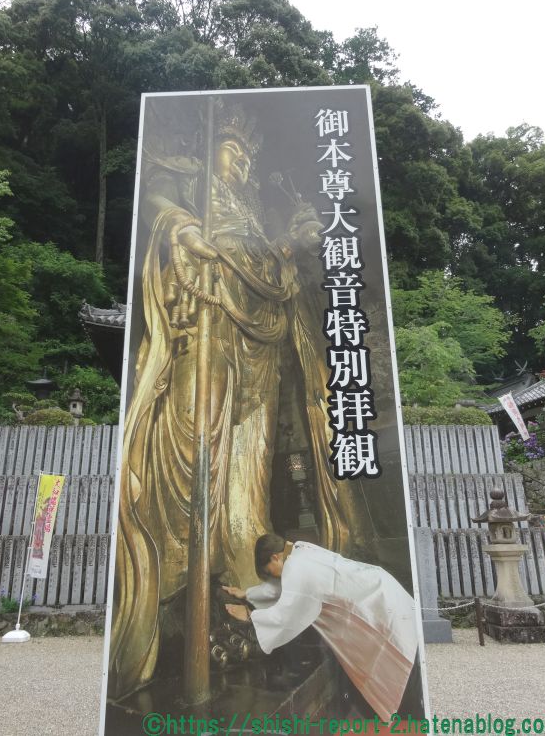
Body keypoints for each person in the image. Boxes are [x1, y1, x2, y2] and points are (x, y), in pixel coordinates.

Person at [109, 101, 371, 698]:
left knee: (251, 457)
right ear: (211, 152)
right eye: (234, 151)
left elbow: (277, 261)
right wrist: (184, 227)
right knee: (197, 432)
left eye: (249, 156)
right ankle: (187, 570)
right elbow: (156, 196)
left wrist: (290, 244)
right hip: (210, 317)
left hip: (261, 328)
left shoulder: (254, 206)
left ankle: (241, 557)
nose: (244, 163)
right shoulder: (194, 184)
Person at [223, 534, 419, 722]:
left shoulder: (295, 567)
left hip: (376, 605)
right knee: (405, 648)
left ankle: (414, 708)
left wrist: (250, 615)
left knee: (401, 657)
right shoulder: (299, 549)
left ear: (275, 557)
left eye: (268, 571)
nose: (270, 576)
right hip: (380, 588)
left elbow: (287, 613)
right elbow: (283, 586)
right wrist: (247, 594)